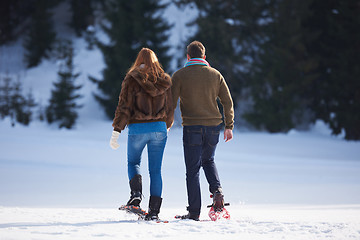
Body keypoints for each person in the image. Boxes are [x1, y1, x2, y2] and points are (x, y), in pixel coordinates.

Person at [171, 41, 234, 221]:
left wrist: (167, 122)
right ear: (204, 57)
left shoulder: (180, 75)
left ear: (188, 57)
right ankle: (217, 191)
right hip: (213, 126)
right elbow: (227, 102)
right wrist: (229, 126)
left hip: (192, 127)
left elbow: (170, 103)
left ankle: (194, 212)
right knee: (208, 160)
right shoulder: (215, 74)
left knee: (192, 170)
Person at [109, 48, 174, 221]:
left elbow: (124, 106)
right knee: (156, 170)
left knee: (133, 162)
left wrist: (117, 130)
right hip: (160, 129)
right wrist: (166, 125)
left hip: (138, 129)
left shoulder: (132, 78)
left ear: (138, 60)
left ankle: (136, 196)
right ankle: (154, 212)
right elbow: (170, 108)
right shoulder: (165, 80)